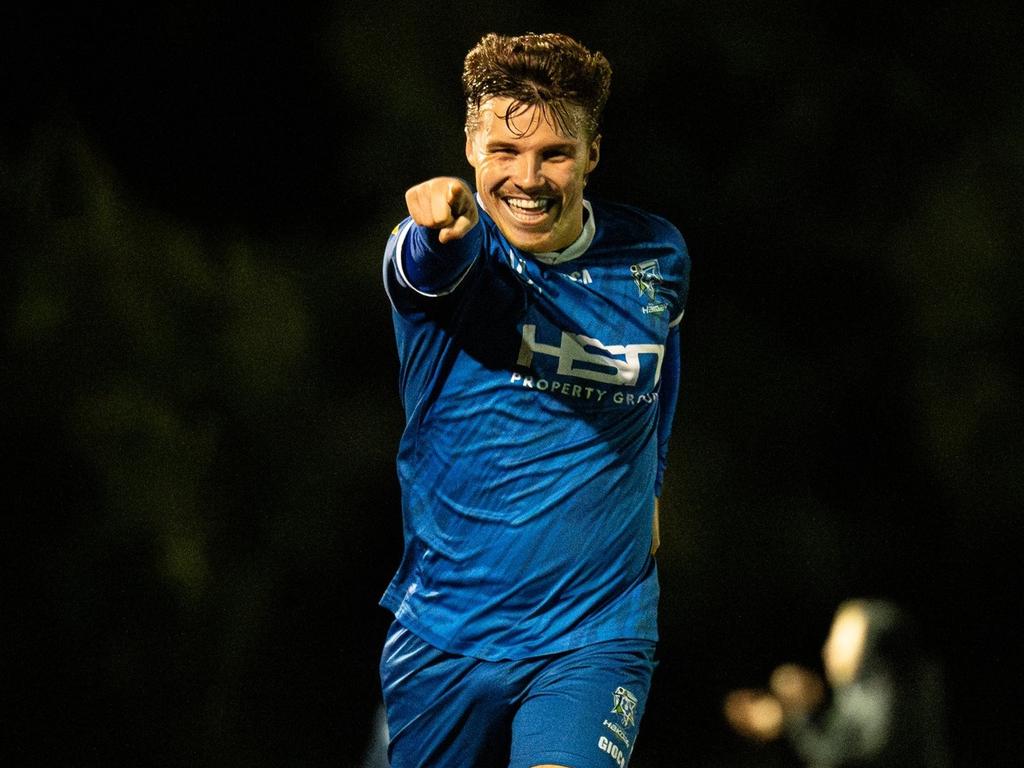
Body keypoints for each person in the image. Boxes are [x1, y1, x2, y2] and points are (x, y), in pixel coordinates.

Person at [377, 32, 690, 768]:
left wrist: (655, 485)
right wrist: (436, 227)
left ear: (592, 154)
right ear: (469, 147)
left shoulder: (656, 257)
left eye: (554, 152)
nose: (528, 177)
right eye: (504, 153)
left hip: (596, 629)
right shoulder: (447, 248)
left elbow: (662, 367)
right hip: (446, 632)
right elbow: (425, 265)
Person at [723, 598, 950, 768]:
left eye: (836, 641)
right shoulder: (847, 703)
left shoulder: (882, 676)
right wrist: (790, 716)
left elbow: (894, 625)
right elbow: (828, 753)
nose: (828, 650)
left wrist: (856, 618)